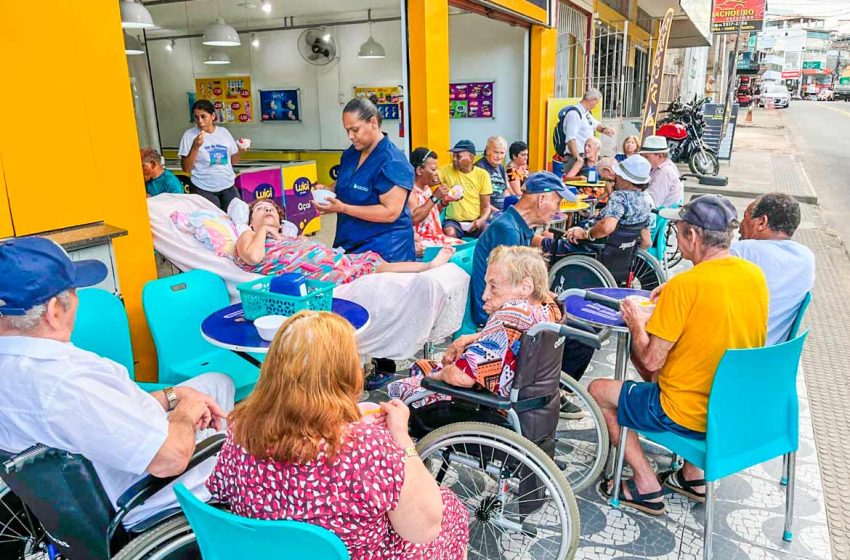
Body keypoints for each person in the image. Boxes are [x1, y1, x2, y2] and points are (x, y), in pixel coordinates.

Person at [0, 237, 235, 528]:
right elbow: (170, 459)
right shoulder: (69, 382)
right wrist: (185, 412)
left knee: (216, 382)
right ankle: (229, 489)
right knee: (249, 440)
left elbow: (104, 415)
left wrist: (175, 396)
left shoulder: (16, 370)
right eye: (74, 293)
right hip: (147, 491)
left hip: (92, 478)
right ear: (54, 312)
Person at [206, 310, 469, 560]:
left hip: (267, 552)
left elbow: (222, 492)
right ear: (345, 374)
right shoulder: (368, 448)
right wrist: (400, 437)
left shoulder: (241, 428)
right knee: (450, 507)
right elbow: (423, 530)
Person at [589, 195, 768, 515]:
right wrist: (669, 301)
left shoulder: (684, 285)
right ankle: (691, 475)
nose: (674, 236)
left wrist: (636, 322)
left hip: (685, 413)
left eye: (678, 230)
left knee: (598, 391)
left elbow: (650, 360)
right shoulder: (754, 276)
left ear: (693, 236)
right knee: (680, 368)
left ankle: (645, 484)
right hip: (732, 407)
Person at [388, 246, 561, 405]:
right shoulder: (548, 307)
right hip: (524, 399)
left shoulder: (511, 315)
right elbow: (515, 339)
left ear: (526, 286)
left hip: (483, 404)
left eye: (493, 286)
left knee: (401, 389)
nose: (485, 295)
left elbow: (463, 377)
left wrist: (439, 375)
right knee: (421, 366)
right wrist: (474, 337)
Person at [236, 199, 453, 283]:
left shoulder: (289, 236)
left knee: (371, 261)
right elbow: (254, 258)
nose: (266, 210)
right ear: (250, 220)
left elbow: (317, 248)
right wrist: (263, 230)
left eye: (270, 208)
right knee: (369, 268)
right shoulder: (248, 235)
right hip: (314, 274)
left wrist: (301, 242)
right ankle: (426, 266)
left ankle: (426, 266)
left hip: (330, 261)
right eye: (259, 209)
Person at [312, 98, 416, 263]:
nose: (351, 136)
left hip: (385, 249)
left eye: (355, 129)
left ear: (373, 122)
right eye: (347, 130)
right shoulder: (351, 154)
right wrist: (328, 190)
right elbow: (344, 182)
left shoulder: (393, 162)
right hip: (349, 242)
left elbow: (390, 213)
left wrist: (343, 208)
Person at [470, 171, 574, 326]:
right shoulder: (508, 231)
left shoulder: (520, 226)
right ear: (542, 199)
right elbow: (509, 292)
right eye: (557, 203)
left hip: (507, 307)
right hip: (494, 314)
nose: (558, 210)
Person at [731, 193, 815, 345]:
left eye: (746, 216)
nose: (740, 225)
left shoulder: (741, 251)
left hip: (729, 356)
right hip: (774, 358)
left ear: (762, 222)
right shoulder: (806, 258)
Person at [544, 155, 653, 258]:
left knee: (543, 240)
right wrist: (626, 251)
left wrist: (586, 234)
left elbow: (607, 227)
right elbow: (646, 242)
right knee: (552, 235)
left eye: (619, 175)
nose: (616, 178)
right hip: (614, 255)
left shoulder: (620, 197)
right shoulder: (646, 200)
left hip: (590, 247)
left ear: (627, 180)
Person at [179, 99, 247, 210]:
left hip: (228, 186)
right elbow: (186, 168)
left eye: (203, 116)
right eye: (196, 117)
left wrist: (240, 150)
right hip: (203, 188)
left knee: (236, 218)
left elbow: (233, 161)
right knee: (212, 223)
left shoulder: (223, 132)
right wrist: (195, 146)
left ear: (213, 116)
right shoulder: (189, 135)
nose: (200, 121)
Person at [407, 148, 465, 256]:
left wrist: (444, 202)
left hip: (438, 238)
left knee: (468, 248)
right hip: (423, 243)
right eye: (433, 170)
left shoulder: (426, 188)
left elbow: (430, 214)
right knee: (460, 253)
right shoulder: (411, 191)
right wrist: (434, 197)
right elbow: (414, 219)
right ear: (419, 170)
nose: (436, 173)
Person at [438, 140, 493, 239]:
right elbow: (431, 179)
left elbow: (486, 207)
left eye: (458, 156)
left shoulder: (482, 175)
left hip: (475, 220)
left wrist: (481, 220)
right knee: (449, 232)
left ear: (471, 158)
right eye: (453, 156)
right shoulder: (446, 170)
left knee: (488, 233)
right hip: (453, 221)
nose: (454, 159)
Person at [555, 88, 615, 173]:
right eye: (596, 103)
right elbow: (570, 139)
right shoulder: (574, 114)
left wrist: (604, 129)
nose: (596, 105)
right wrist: (578, 158)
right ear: (592, 101)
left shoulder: (585, 113)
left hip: (584, 158)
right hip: (575, 158)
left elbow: (595, 124)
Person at [640, 135, 683, 208]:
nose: (644, 160)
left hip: (660, 215)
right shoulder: (659, 166)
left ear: (660, 155)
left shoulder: (665, 172)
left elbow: (652, 202)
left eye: (646, 157)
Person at [474, 136, 510, 210]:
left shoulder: (501, 167)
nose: (499, 156)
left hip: (502, 210)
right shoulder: (479, 168)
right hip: (488, 212)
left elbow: (505, 192)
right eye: (496, 152)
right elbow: (479, 200)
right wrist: (499, 213)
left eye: (502, 153)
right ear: (487, 150)